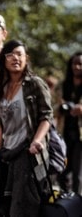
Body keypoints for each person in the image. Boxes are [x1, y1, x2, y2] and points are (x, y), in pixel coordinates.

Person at [0, 40, 53, 217]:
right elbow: (2, 123)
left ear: (26, 58)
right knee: (2, 206)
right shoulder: (1, 87)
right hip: (6, 155)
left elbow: (46, 116)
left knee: (23, 208)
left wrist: (37, 141)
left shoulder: (35, 84)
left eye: (19, 54)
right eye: (10, 54)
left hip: (28, 154)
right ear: (4, 59)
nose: (15, 58)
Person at [59, 52, 82, 194]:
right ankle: (64, 206)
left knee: (78, 175)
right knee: (62, 172)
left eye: (80, 64)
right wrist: (62, 106)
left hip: (80, 137)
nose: (77, 67)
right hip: (64, 134)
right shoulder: (63, 86)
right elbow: (52, 107)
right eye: (74, 63)